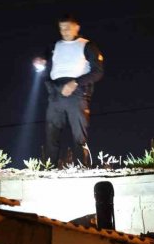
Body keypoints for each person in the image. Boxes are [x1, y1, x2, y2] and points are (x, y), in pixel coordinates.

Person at [33, 14, 104, 168]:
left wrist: (76, 83)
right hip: (55, 92)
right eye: (61, 28)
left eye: (67, 27)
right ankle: (49, 168)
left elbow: (98, 72)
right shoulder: (54, 45)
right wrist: (41, 62)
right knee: (52, 132)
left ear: (76, 27)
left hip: (76, 93)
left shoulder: (86, 45)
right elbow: (45, 62)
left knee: (79, 133)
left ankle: (82, 167)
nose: (64, 31)